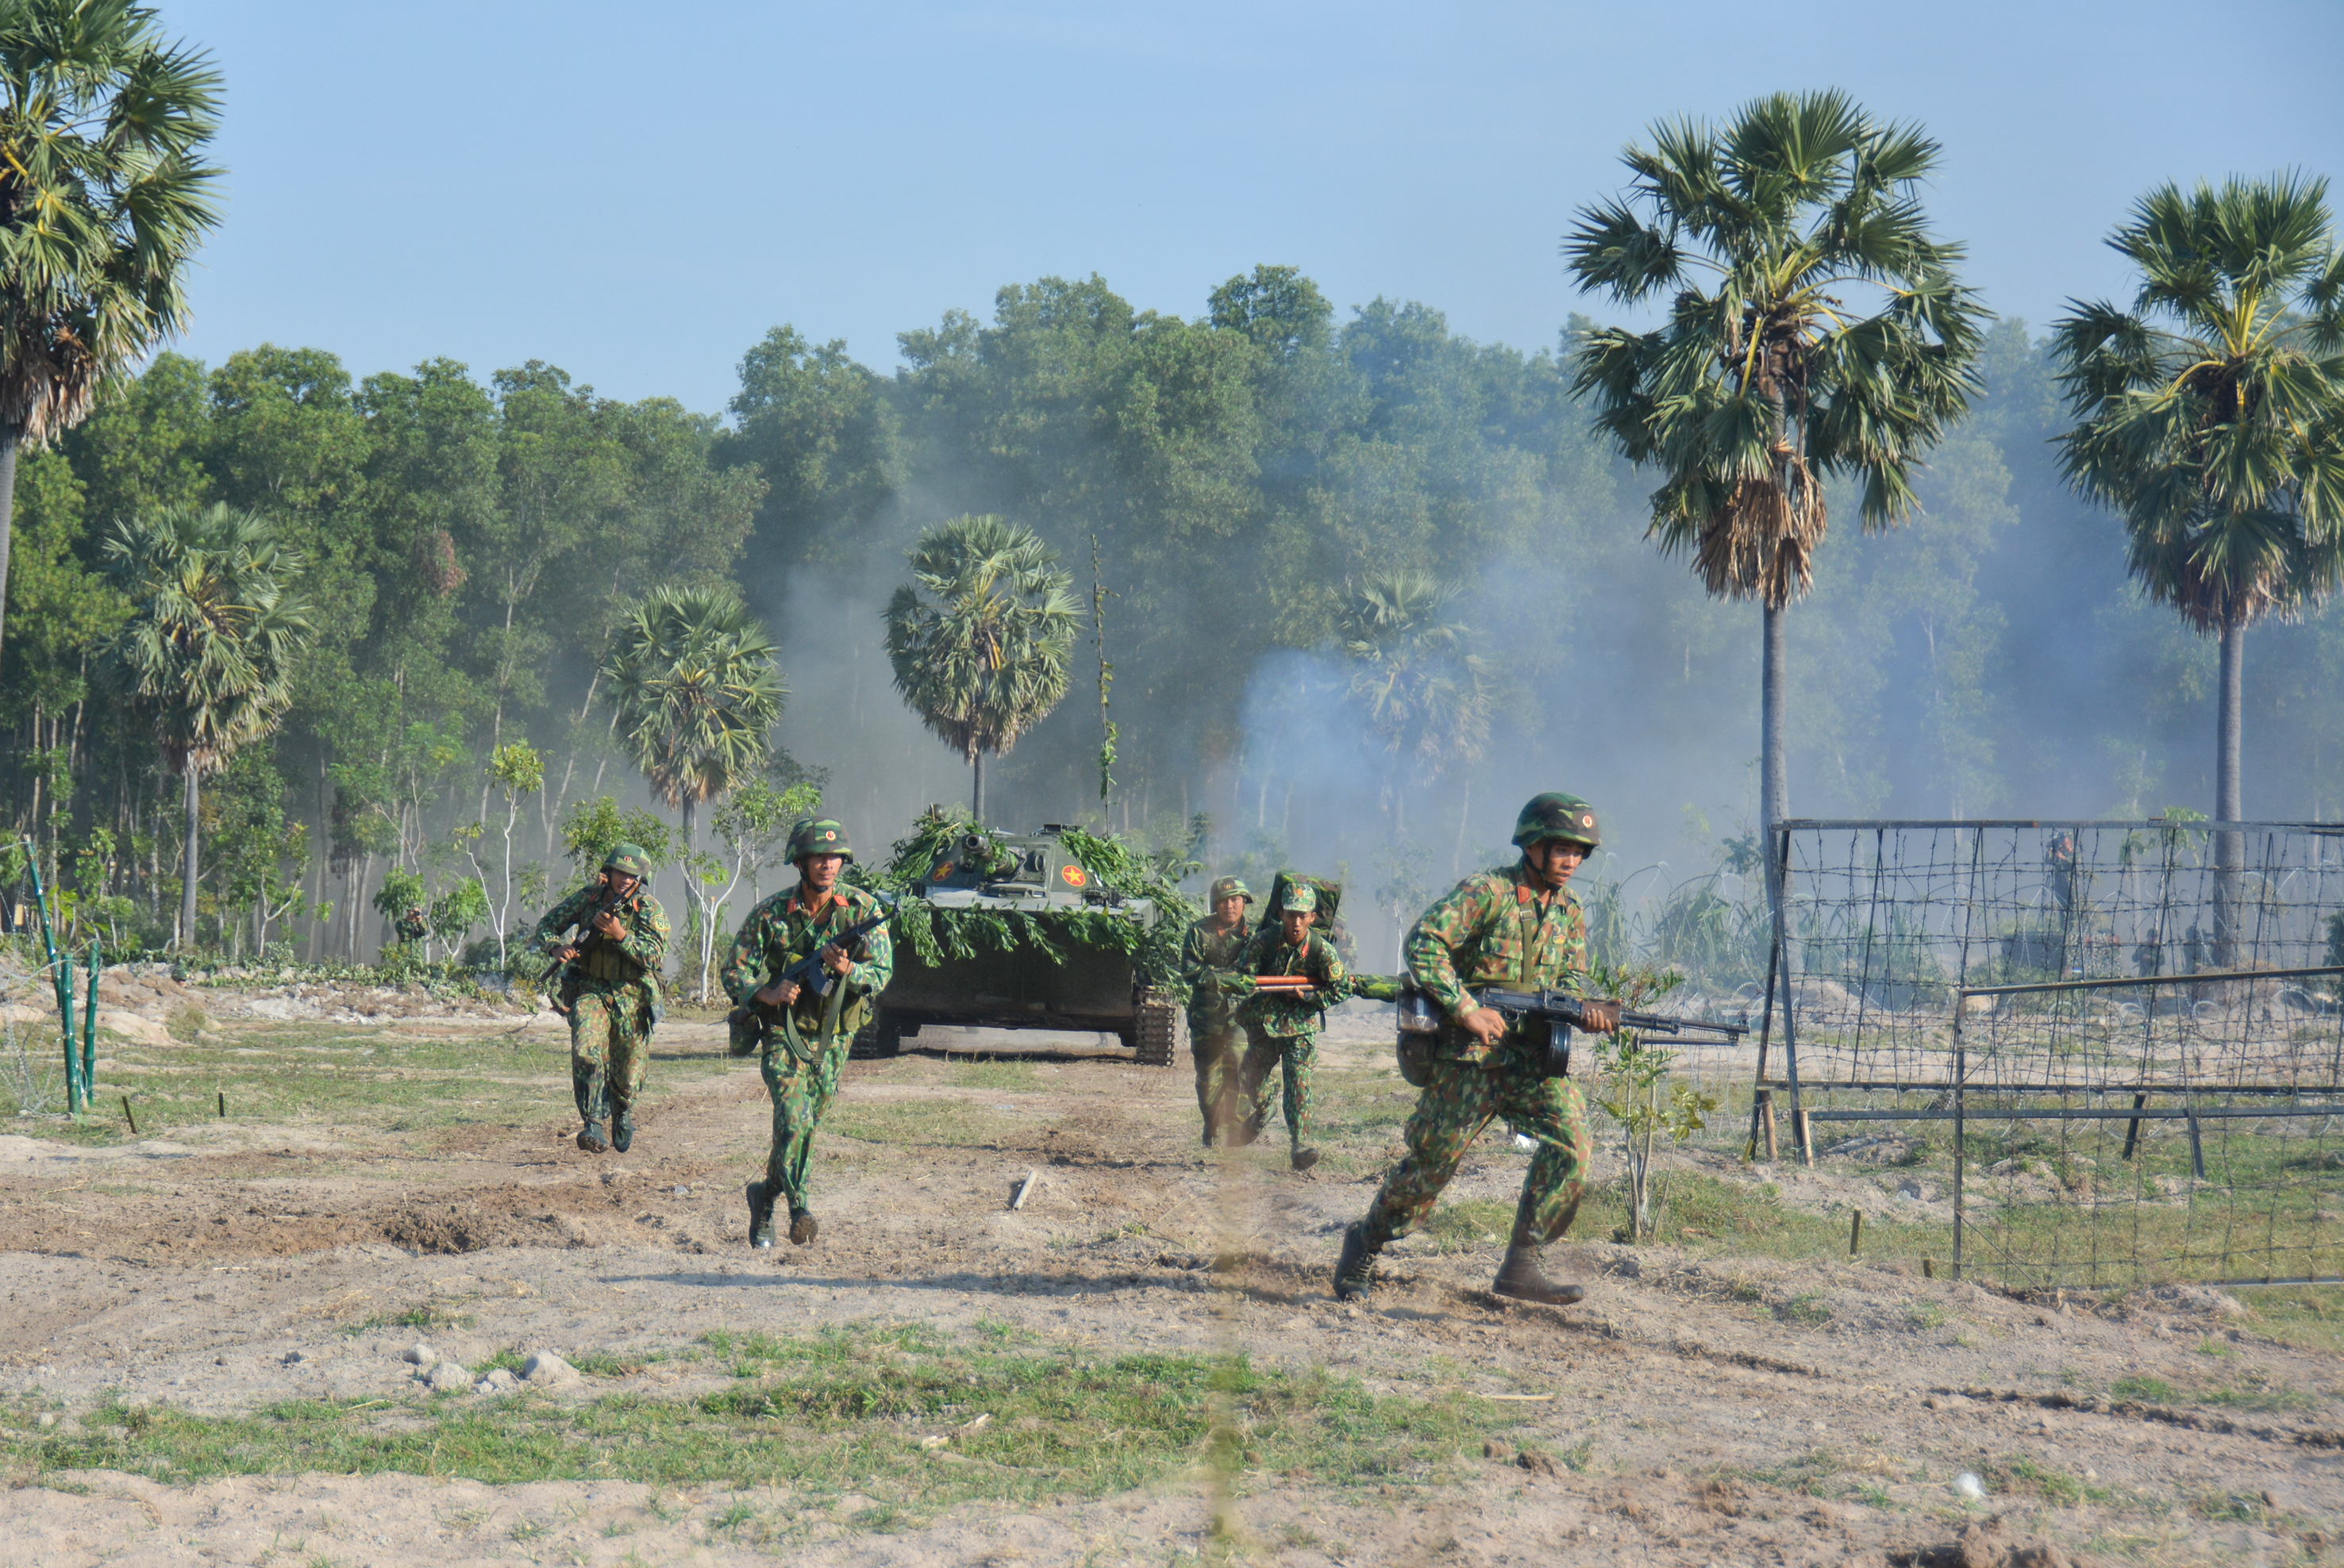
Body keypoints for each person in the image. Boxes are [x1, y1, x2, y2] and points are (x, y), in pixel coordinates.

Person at [1334, 793, 1623, 1307]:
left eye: (1580, 853)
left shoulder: (1570, 912)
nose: (1571, 861)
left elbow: (1568, 977)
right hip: (1467, 1061)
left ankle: (1522, 1263)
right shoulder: (1487, 892)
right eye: (1562, 848)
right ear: (1532, 845)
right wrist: (1465, 1007)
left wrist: (1584, 1008)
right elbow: (1425, 942)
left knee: (1573, 1145)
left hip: (1528, 1062)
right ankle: (1365, 1241)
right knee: (1429, 1170)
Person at [720, 818, 894, 1249]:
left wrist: (847, 969)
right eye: (818, 856)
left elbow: (883, 972)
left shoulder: (863, 909)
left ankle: (765, 1198)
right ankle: (801, 1209)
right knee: (795, 1119)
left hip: (832, 1040)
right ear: (800, 862)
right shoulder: (772, 912)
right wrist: (766, 992)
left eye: (834, 857)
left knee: (800, 1130)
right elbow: (733, 970)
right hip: (784, 1033)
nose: (827, 864)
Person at [530, 843, 669, 1155]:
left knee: (629, 1073)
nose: (624, 879)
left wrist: (622, 935)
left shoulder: (649, 909)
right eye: (620, 871)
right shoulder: (589, 899)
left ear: (640, 880)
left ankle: (621, 1110)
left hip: (633, 995)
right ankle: (592, 1121)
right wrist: (556, 947)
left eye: (632, 875)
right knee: (587, 1052)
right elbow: (547, 925)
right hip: (591, 988)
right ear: (609, 872)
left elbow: (655, 955)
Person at [1229, 880, 1349, 1172]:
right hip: (1266, 1026)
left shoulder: (1321, 950)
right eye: (1291, 915)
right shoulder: (1265, 942)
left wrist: (1310, 997)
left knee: (1298, 1085)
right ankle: (1265, 1106)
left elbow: (1342, 988)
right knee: (1250, 1078)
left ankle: (1300, 1145)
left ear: (1312, 918)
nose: (1296, 922)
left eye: (1302, 916)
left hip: (1300, 1028)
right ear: (1282, 914)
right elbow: (1241, 975)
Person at [1180, 875, 1254, 1146]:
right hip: (1206, 1017)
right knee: (1209, 1079)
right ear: (1215, 905)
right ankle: (1211, 1125)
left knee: (1238, 1068)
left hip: (1241, 1018)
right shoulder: (1199, 932)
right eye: (1223, 901)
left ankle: (1234, 1129)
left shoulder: (1256, 935)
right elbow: (1190, 971)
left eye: (1235, 899)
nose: (1229, 906)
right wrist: (1225, 979)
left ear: (1244, 902)